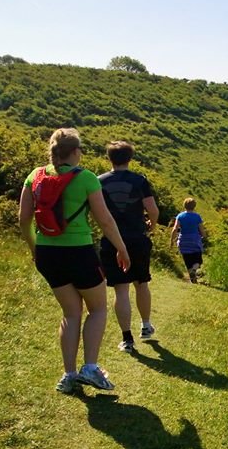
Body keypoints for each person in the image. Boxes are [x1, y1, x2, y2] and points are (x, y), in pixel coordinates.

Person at [18, 128, 130, 393]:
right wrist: (122, 248)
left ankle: (68, 375)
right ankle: (90, 368)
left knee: (70, 313)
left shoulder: (35, 176)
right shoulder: (87, 179)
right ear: (76, 151)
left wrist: (34, 247)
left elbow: (23, 219)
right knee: (98, 309)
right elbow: (105, 220)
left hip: (47, 254)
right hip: (79, 251)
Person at [98, 141, 160, 354]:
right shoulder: (139, 180)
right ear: (130, 158)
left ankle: (127, 338)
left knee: (121, 289)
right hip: (137, 238)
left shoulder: (100, 181)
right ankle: (145, 325)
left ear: (109, 158)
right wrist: (151, 226)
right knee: (142, 283)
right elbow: (153, 209)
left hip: (112, 240)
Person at [170, 198, 206, 283]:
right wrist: (204, 236)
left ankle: (193, 281)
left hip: (183, 241)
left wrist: (171, 241)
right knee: (198, 261)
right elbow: (201, 229)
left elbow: (175, 229)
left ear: (184, 206)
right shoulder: (197, 216)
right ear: (194, 206)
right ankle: (194, 270)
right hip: (195, 241)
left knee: (188, 262)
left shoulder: (180, 216)